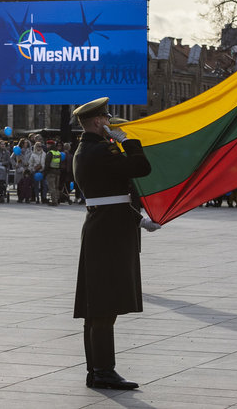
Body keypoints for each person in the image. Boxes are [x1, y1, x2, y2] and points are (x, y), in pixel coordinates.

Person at [72, 97, 160, 390]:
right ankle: (103, 371)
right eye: (107, 118)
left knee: (97, 305)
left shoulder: (91, 149)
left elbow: (113, 197)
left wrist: (138, 220)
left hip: (106, 226)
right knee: (102, 306)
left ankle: (97, 370)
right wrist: (128, 141)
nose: (110, 121)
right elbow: (141, 167)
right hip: (107, 232)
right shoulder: (98, 150)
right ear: (97, 122)